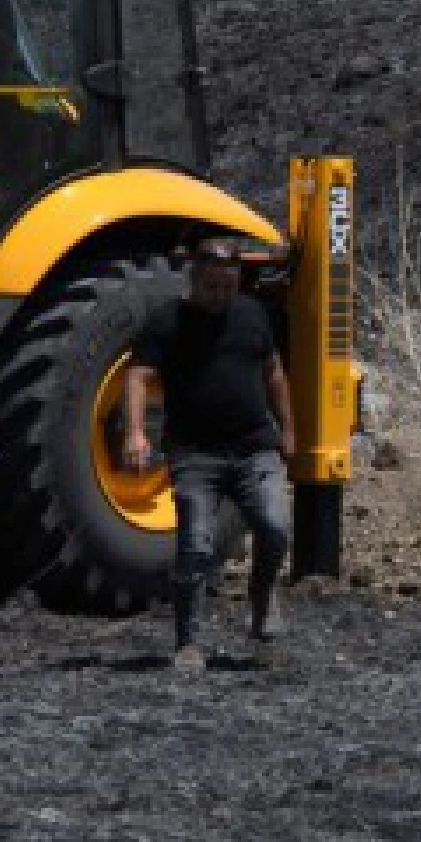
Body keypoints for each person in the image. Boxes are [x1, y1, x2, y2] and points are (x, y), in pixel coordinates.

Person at [122, 239, 296, 669]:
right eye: (213, 286)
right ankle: (188, 642)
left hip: (254, 446)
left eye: (229, 286)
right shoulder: (167, 323)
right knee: (195, 547)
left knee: (274, 527)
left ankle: (261, 595)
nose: (221, 295)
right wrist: (136, 433)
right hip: (195, 453)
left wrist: (289, 429)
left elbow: (273, 371)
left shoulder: (253, 315)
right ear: (194, 281)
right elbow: (138, 376)